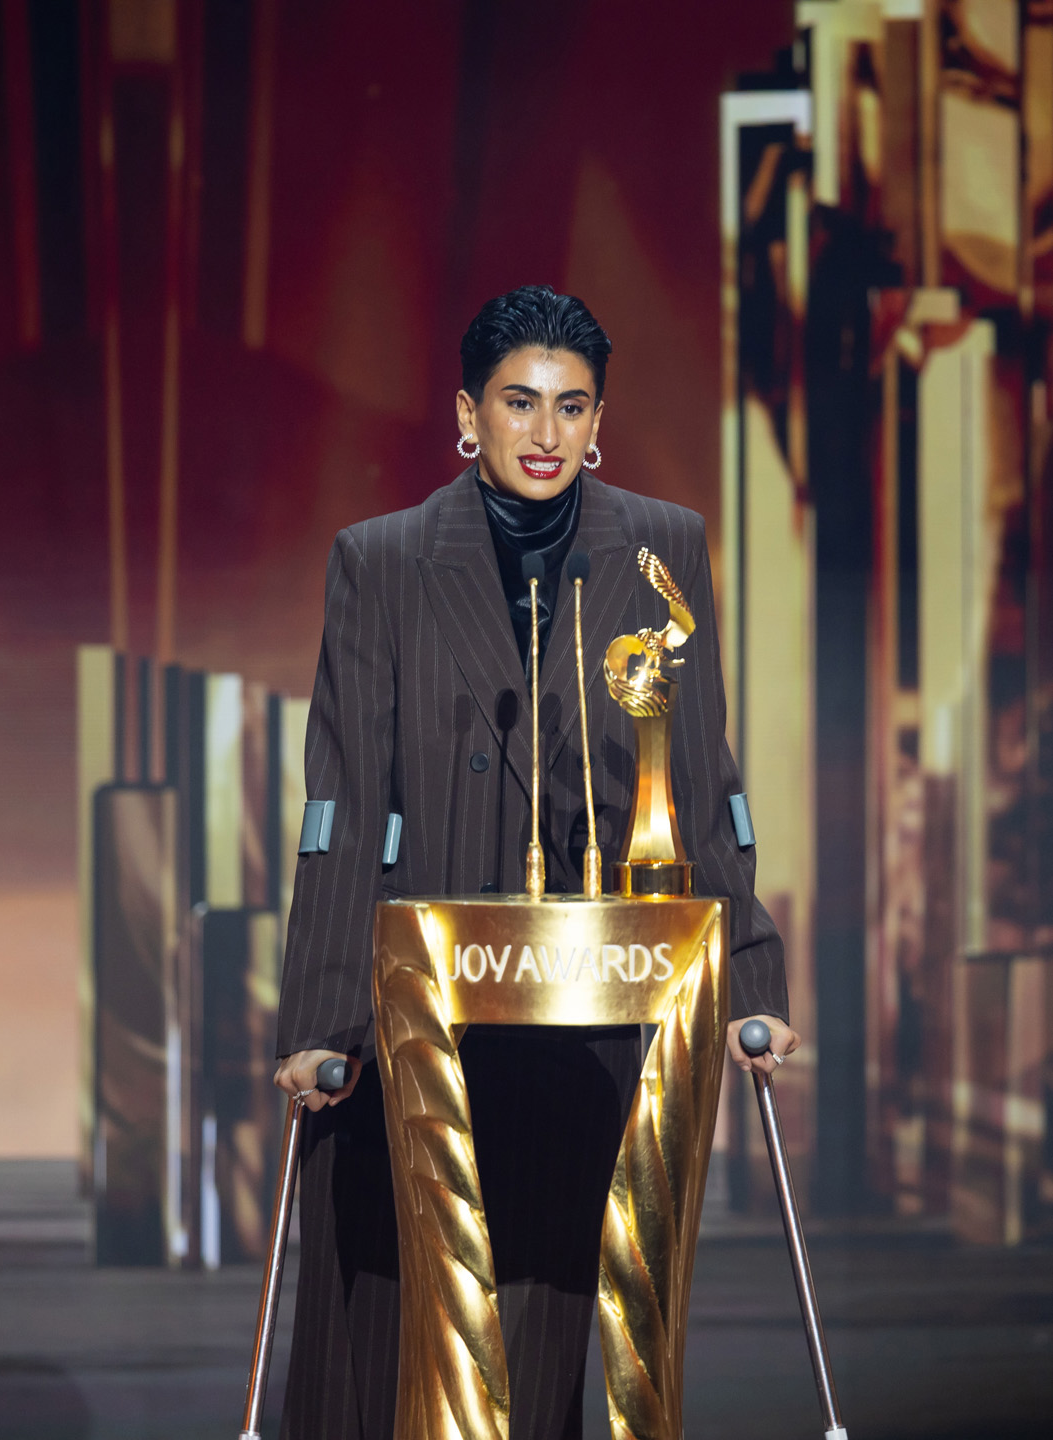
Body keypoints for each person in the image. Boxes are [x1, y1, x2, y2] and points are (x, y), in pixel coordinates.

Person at [274, 285, 799, 1439]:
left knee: (549, 1339)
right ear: (469, 414)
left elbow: (697, 780)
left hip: (584, 1011)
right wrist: (320, 1019)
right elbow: (344, 801)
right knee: (394, 1340)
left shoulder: (661, 549)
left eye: (571, 405)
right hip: (417, 1012)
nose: (546, 432)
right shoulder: (383, 559)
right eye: (519, 403)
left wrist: (747, 981)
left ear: (599, 418)